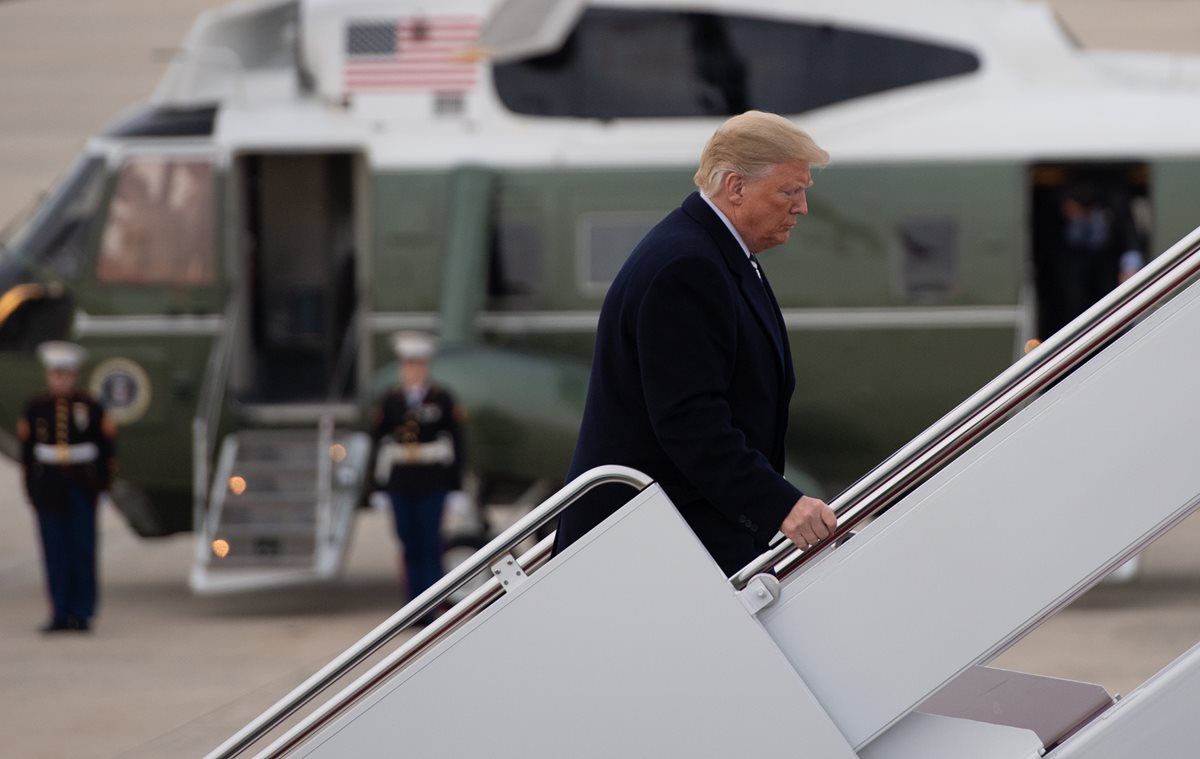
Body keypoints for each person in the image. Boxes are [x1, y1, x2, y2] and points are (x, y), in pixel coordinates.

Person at [554, 110, 837, 576]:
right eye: (789, 191)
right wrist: (779, 506)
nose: (802, 207)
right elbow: (690, 420)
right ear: (736, 187)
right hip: (647, 552)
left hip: (680, 540)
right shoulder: (687, 266)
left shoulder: (720, 254)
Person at [18, 341, 117, 633]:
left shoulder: (91, 406)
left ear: (74, 376)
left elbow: (106, 449)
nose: (60, 380)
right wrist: (31, 488)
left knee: (82, 550)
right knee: (55, 552)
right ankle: (59, 611)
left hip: (81, 486)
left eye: (66, 374)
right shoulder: (36, 408)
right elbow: (28, 452)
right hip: (49, 488)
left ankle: (82, 611)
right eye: (55, 374)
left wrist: (100, 485)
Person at [372, 331, 465, 610]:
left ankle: (433, 603)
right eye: (408, 365)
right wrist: (377, 487)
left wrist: (456, 486)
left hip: (432, 480)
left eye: (418, 364)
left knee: (430, 544)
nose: (412, 370)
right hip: (401, 481)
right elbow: (378, 441)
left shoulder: (442, 398)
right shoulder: (391, 399)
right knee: (408, 543)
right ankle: (413, 605)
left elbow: (457, 442)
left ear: (425, 367)